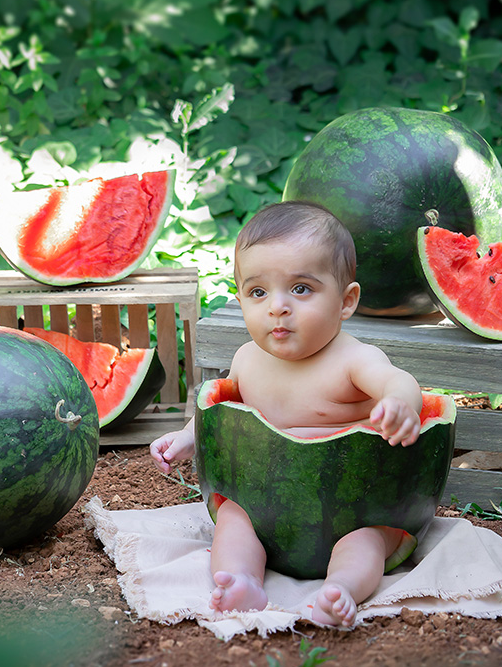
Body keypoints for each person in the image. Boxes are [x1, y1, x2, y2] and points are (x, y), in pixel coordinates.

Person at [150, 201, 423, 628]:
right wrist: (188, 437)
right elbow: (219, 408)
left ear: (346, 301)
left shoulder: (354, 359)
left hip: (354, 508)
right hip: (266, 510)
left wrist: (399, 403)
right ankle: (241, 581)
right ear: (241, 297)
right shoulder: (245, 359)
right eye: (258, 292)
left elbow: (397, 380)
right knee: (233, 519)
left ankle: (341, 591)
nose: (278, 307)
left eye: (300, 289)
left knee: (367, 542)